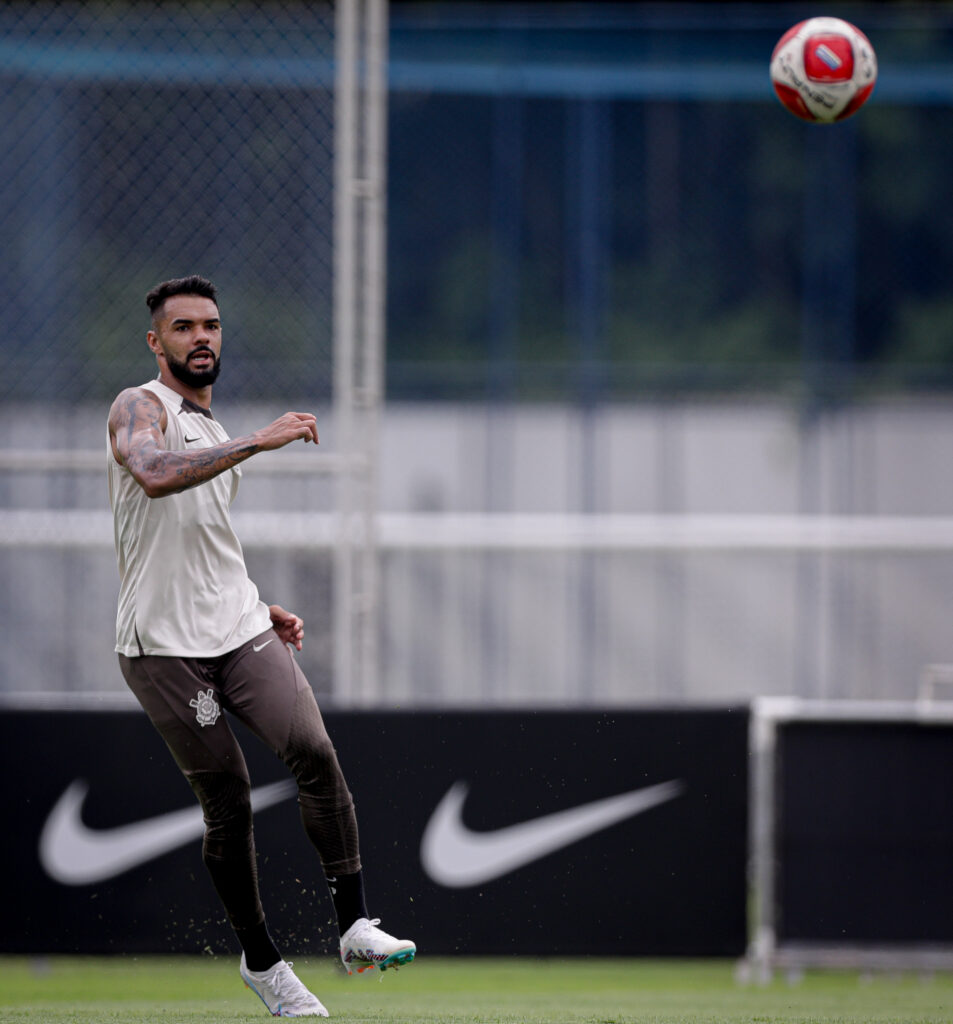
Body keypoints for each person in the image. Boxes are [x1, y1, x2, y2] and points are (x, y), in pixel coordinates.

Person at [107, 275, 415, 1018]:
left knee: (312, 748)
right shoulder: (139, 405)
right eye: (182, 328)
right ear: (157, 342)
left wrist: (251, 599)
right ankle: (264, 963)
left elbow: (200, 537)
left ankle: (353, 928)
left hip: (236, 623)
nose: (200, 337)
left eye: (210, 324)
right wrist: (260, 438)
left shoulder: (213, 431)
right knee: (230, 799)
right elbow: (151, 476)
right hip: (162, 647)